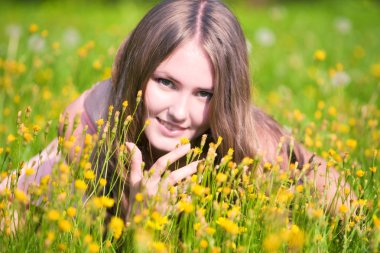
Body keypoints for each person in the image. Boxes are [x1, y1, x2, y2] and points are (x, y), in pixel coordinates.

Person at [1, 0, 355, 222]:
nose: (180, 113)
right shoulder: (90, 125)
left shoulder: (254, 146)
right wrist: (138, 224)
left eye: (204, 93)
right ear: (139, 71)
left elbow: (346, 207)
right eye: (166, 83)